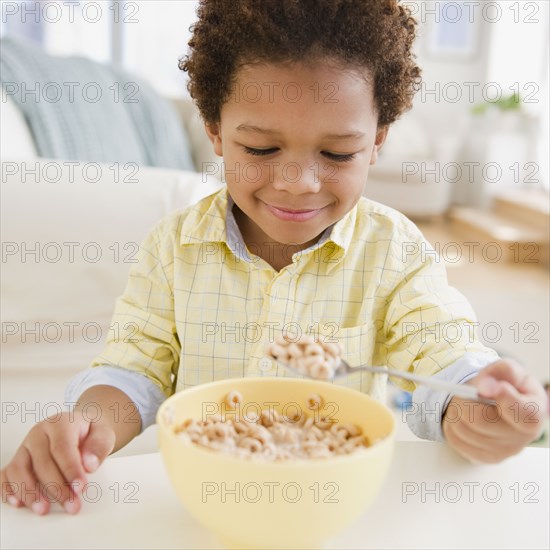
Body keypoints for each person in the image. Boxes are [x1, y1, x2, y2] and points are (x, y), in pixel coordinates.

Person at [2, 0, 547, 516]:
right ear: (215, 129)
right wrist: (88, 424)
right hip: (204, 504)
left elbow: (441, 353)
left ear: (378, 140)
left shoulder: (396, 253)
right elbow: (133, 367)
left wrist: (474, 404)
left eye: (337, 154)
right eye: (261, 149)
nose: (298, 184)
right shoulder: (173, 247)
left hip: (335, 509)